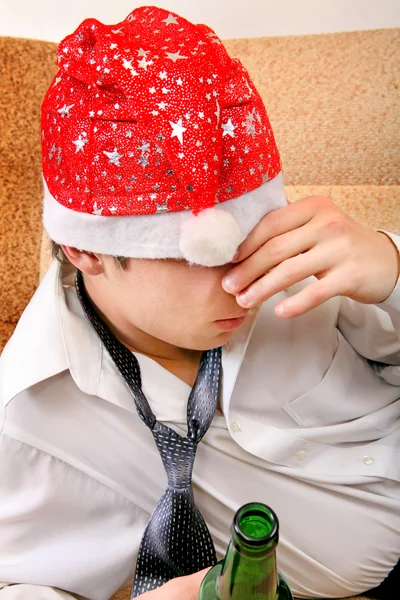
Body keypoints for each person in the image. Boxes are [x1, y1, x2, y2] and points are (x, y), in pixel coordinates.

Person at [0, 5, 399, 600]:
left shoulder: (294, 260)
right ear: (84, 249)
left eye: (252, 233)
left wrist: (392, 268)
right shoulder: (27, 420)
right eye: (204, 259)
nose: (245, 277)